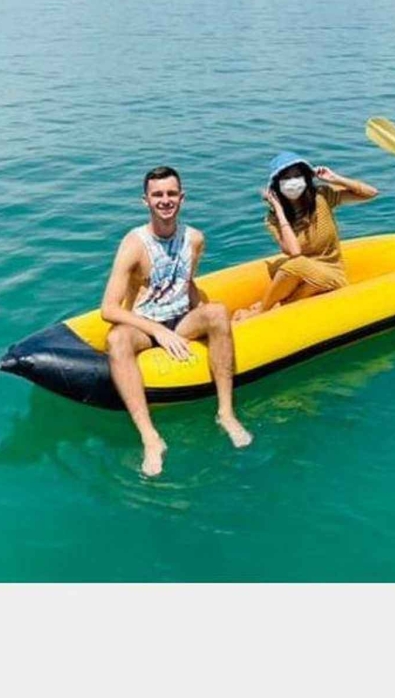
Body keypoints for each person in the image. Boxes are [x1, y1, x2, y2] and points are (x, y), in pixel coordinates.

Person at [100, 165, 252, 478]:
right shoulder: (134, 245)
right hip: (145, 325)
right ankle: (150, 437)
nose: (165, 200)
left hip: (181, 320)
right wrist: (157, 331)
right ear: (145, 200)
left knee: (218, 312)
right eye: (157, 195)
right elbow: (108, 309)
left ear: (182, 198)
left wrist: (211, 321)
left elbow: (185, 282)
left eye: (171, 193)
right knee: (116, 339)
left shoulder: (194, 239)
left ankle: (226, 413)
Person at [234, 152, 378, 322]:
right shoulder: (273, 219)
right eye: (286, 178)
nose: (293, 181)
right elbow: (293, 250)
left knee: (295, 264)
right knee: (286, 267)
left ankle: (262, 311)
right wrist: (279, 211)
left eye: (297, 176)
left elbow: (371, 193)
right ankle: (281, 307)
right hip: (304, 276)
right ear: (277, 185)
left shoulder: (322, 197)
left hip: (331, 272)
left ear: (305, 178)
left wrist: (335, 178)